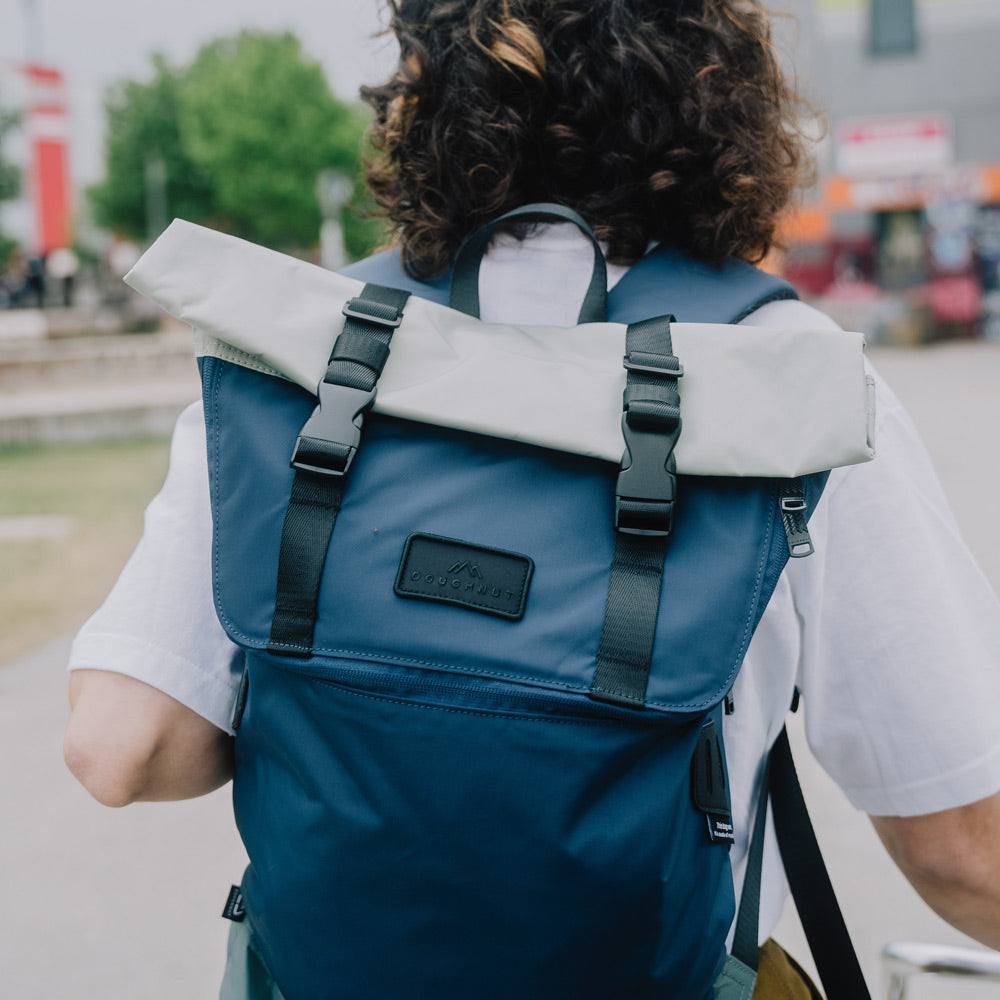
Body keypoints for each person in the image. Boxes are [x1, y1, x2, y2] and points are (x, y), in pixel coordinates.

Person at [65, 1, 1000, 997]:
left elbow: (121, 746)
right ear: (719, 96)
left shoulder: (303, 360)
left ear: (421, 94)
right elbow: (960, 846)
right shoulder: (794, 383)